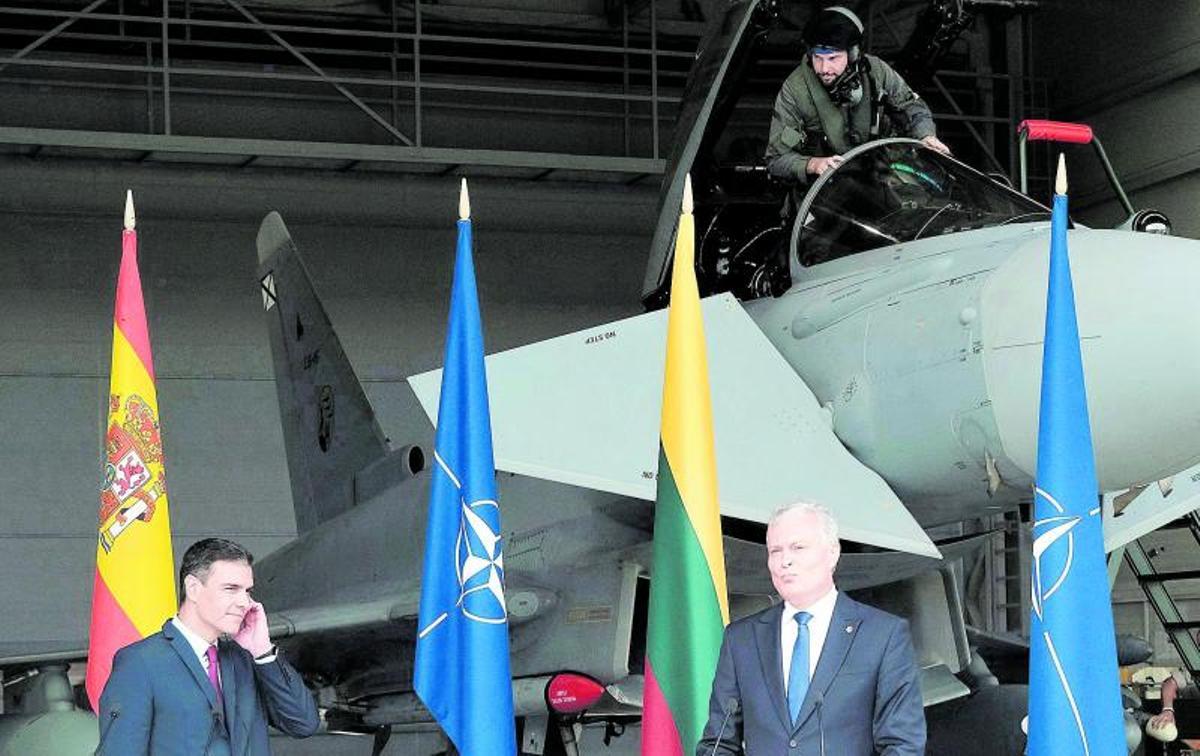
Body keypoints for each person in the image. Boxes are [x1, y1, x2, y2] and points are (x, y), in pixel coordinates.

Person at [696, 501, 926, 755]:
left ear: (832, 553)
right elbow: (718, 743)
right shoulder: (741, 639)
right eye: (775, 551)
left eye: (798, 547)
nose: (785, 561)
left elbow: (903, 745)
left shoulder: (883, 635)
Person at [96, 538, 320, 755]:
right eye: (231, 588)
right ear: (193, 588)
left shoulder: (246, 659)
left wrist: (262, 652)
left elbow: (303, 724)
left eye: (247, 591)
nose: (244, 602)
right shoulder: (140, 662)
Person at [766, 5, 950, 189]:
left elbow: (911, 104)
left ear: (852, 54)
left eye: (833, 58)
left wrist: (926, 135)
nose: (823, 69)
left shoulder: (875, 71)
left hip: (875, 180)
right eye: (817, 58)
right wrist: (812, 164)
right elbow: (776, 160)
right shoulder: (795, 90)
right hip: (822, 192)